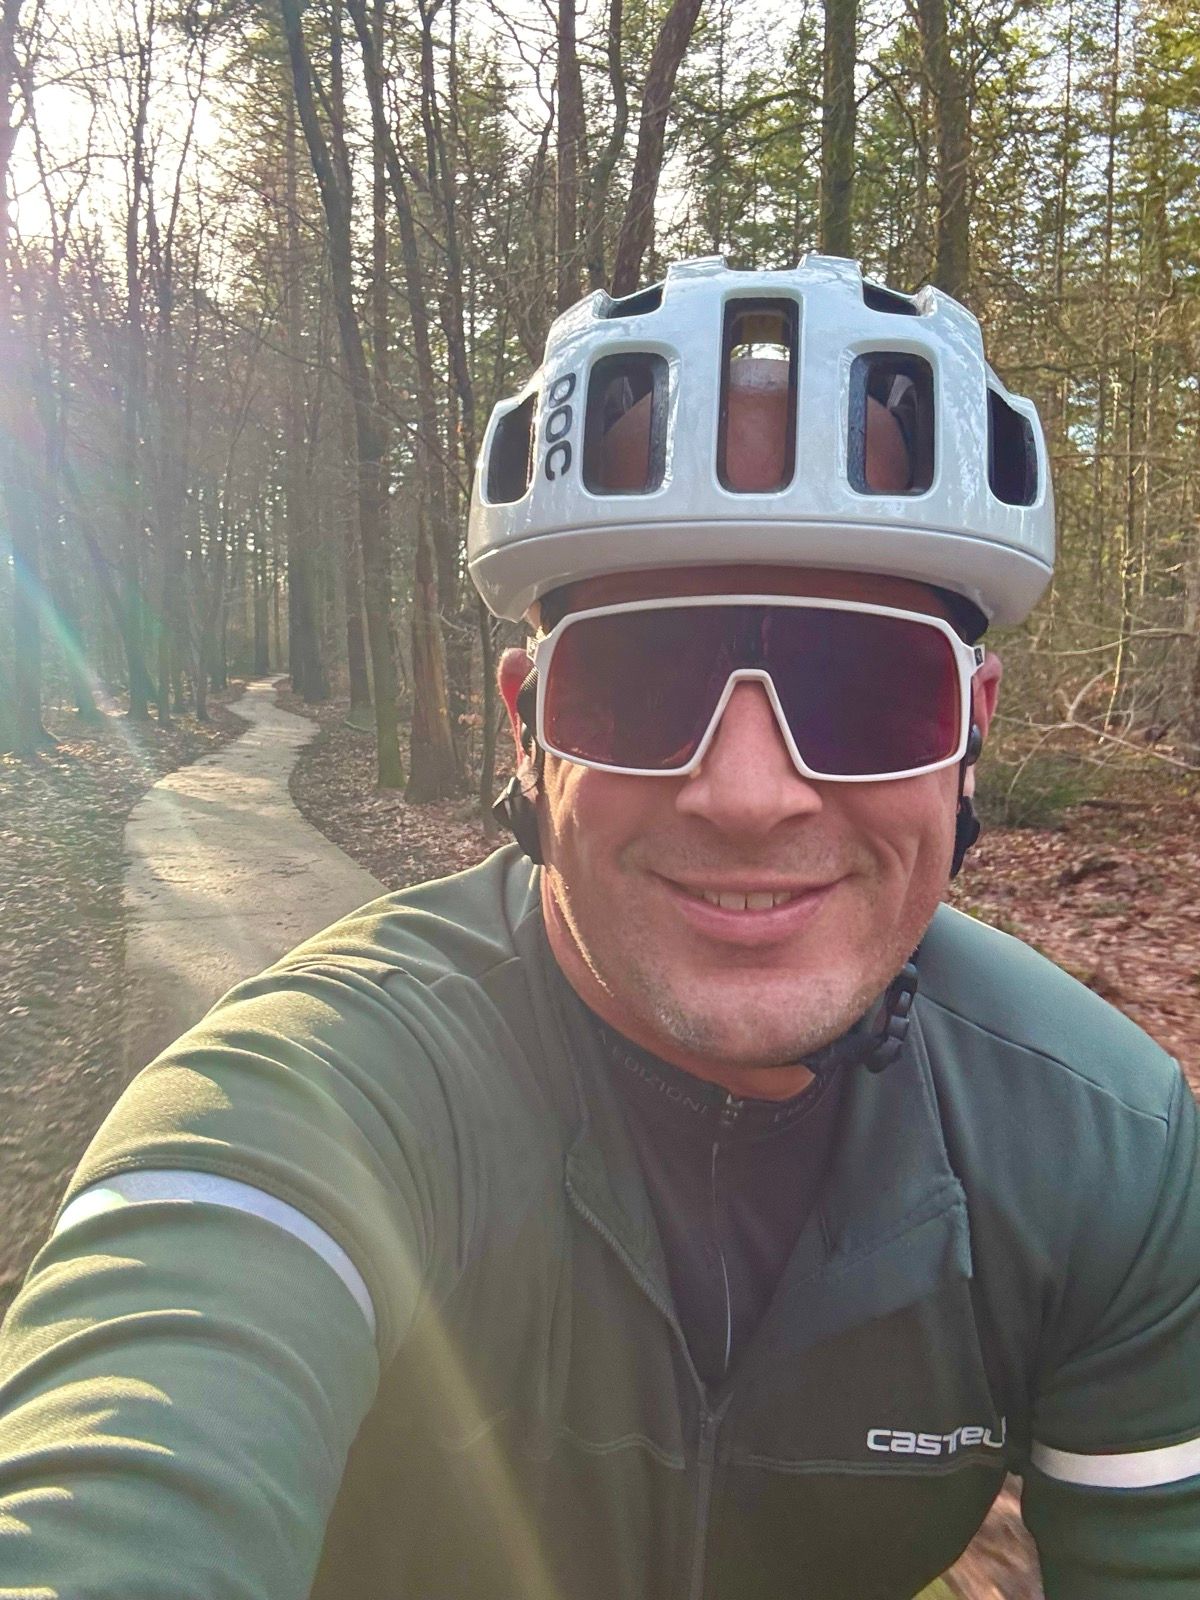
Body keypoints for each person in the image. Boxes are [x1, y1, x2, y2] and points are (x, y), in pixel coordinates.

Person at [0, 255, 1196, 1600]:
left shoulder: (1111, 1155)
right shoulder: (308, 1100)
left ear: (970, 736)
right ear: (528, 729)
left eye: (865, 688)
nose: (748, 793)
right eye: (644, 679)